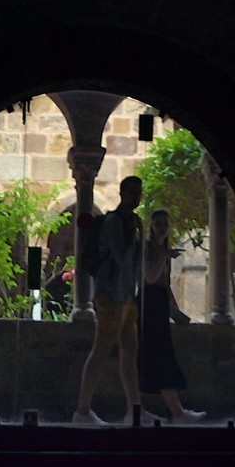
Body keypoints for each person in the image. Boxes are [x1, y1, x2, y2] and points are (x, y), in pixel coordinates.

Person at [72, 174, 144, 426]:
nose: (136, 197)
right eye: (132, 192)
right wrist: (135, 234)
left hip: (126, 295)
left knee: (130, 350)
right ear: (122, 193)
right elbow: (122, 256)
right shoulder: (115, 222)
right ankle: (82, 411)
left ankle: (134, 410)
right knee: (101, 350)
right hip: (111, 294)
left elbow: (135, 263)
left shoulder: (131, 222)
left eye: (139, 193)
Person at [139, 208, 204, 423]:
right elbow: (150, 278)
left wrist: (176, 312)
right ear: (151, 226)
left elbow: (164, 285)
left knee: (159, 357)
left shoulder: (161, 250)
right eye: (158, 223)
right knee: (158, 357)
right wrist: (164, 256)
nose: (162, 228)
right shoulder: (149, 248)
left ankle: (175, 412)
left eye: (165, 224)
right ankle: (176, 412)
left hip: (158, 305)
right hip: (149, 305)